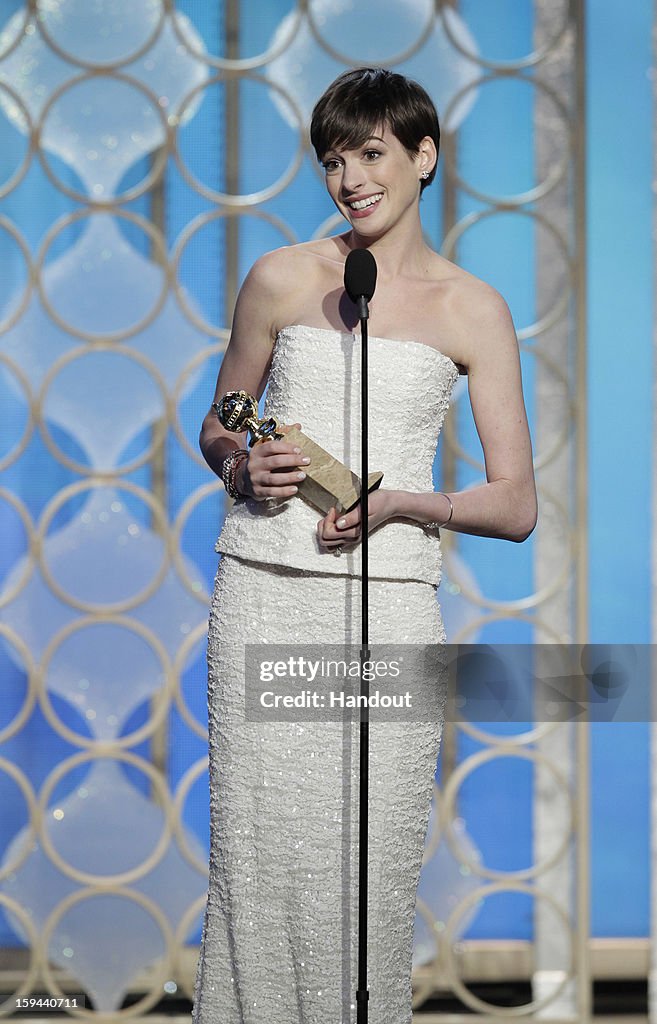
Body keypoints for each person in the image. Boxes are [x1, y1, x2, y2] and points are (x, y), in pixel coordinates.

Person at [191, 67, 537, 1024]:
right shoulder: (281, 277)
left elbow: (514, 505)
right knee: (258, 873)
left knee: (370, 872)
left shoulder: (474, 309)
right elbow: (221, 418)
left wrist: (401, 507)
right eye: (333, 161)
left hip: (389, 604)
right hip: (263, 587)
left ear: (423, 157)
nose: (350, 179)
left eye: (371, 155)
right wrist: (237, 464)